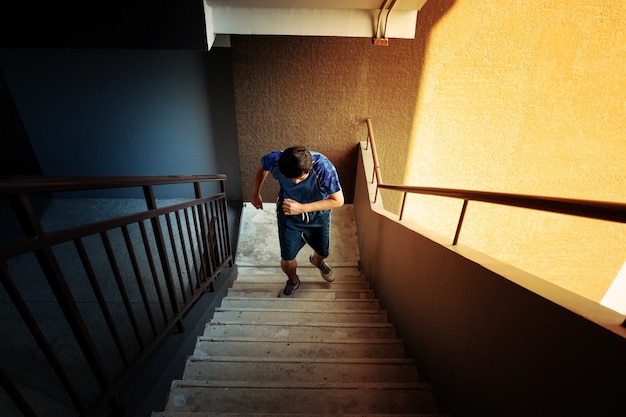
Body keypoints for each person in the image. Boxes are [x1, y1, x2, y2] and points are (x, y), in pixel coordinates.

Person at [250, 146, 344, 297]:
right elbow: (262, 166)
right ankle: (293, 281)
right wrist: (255, 193)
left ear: (309, 168)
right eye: (290, 177)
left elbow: (338, 201)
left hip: (318, 216)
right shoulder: (275, 159)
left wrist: (302, 208)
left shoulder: (323, 167)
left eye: (301, 178)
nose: (295, 182)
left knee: (323, 252)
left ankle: (317, 262)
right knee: (287, 260)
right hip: (288, 215)